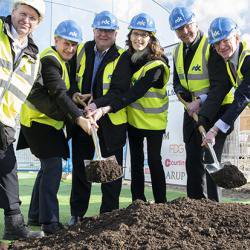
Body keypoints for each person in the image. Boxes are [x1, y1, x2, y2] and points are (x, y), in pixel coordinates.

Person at [17, 20, 93, 235]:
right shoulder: (50, 60)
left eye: (73, 45)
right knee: (53, 168)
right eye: (66, 43)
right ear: (56, 40)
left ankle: (34, 214)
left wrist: (75, 97)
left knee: (46, 169)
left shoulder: (59, 59)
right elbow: (58, 93)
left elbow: (60, 92)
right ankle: (49, 223)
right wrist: (79, 118)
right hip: (39, 122)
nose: (70, 48)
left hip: (43, 122)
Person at [89, 13, 170, 203]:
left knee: (154, 160)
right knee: (135, 162)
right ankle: (138, 201)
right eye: (135, 34)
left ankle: (161, 202)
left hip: (154, 124)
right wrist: (98, 102)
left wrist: (106, 108)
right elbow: (118, 88)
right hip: (134, 121)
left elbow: (135, 93)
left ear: (151, 38)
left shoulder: (158, 63)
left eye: (144, 35)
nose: (139, 39)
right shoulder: (127, 57)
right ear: (130, 35)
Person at [68, 10, 132, 225]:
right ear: (93, 30)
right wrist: (77, 95)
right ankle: (77, 215)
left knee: (111, 173)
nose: (104, 34)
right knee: (81, 169)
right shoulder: (83, 49)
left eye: (109, 31)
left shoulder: (123, 56)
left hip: (111, 123)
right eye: (100, 30)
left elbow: (119, 90)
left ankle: (109, 216)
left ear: (116, 33)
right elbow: (72, 78)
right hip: (85, 121)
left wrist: (97, 105)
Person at [168, 7, 234, 201]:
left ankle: (213, 207)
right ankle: (195, 206)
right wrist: (184, 97)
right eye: (179, 29)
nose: (184, 32)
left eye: (187, 26)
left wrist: (199, 101)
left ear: (195, 23)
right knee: (192, 160)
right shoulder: (177, 50)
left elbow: (220, 84)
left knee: (211, 159)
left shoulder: (210, 45)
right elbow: (178, 82)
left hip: (216, 109)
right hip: (191, 112)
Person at [0, 0, 45, 240]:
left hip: (4, 121)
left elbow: (39, 95)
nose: (26, 20)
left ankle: (14, 224)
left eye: (32, 18)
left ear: (37, 23)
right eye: (22, 14)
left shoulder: (33, 57)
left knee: (8, 170)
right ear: (13, 11)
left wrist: (75, 114)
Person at [202, 17, 249, 145]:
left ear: (237, 38)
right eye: (216, 43)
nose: (221, 47)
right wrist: (200, 100)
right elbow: (220, 89)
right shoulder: (230, 62)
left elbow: (243, 97)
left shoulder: (248, 59)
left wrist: (215, 129)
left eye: (225, 40)